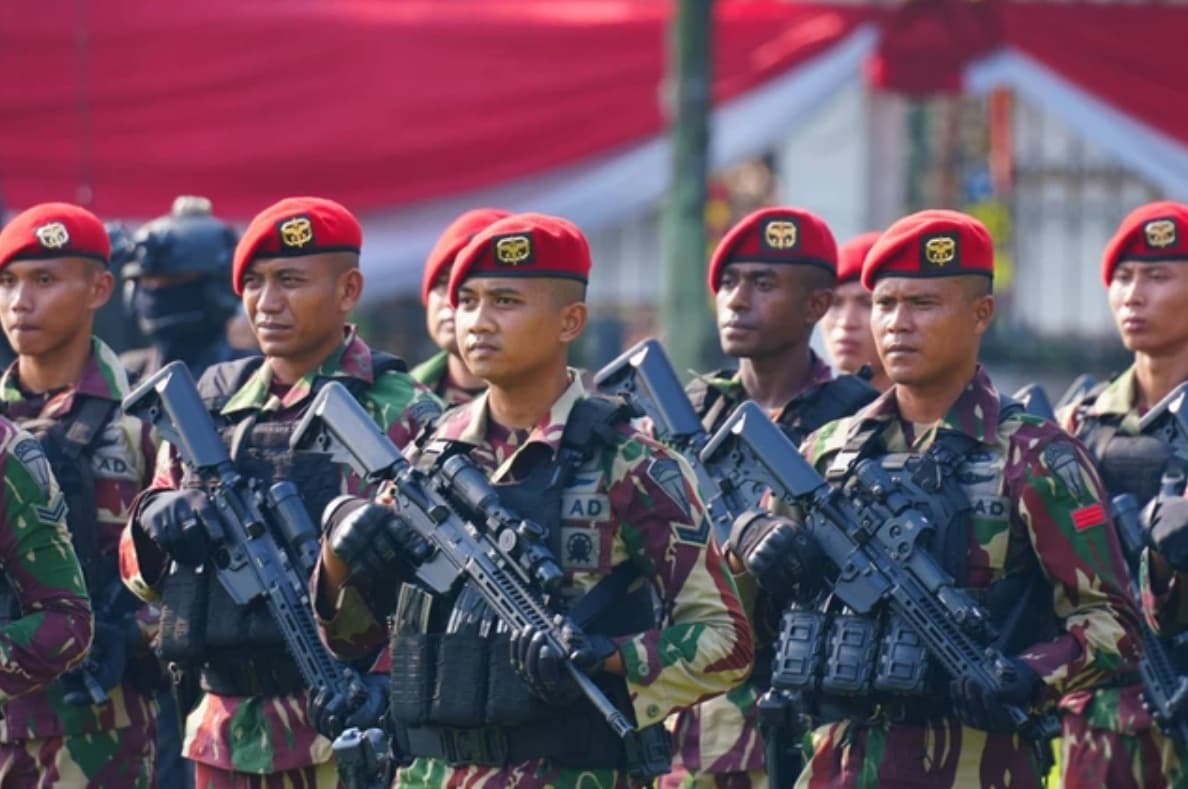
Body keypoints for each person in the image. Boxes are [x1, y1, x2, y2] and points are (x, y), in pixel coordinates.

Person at [312, 212, 753, 787]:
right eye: (467, 300)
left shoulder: (631, 463)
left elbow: (727, 642)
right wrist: (336, 561)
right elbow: (353, 640)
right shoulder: (426, 457)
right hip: (426, 773)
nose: (477, 321)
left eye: (505, 301)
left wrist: (608, 657)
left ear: (570, 321)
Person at [734, 209, 1140, 787]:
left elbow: (1115, 624)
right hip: (837, 764)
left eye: (923, 304)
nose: (898, 323)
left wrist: (1029, 674)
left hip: (978, 765)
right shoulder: (826, 452)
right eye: (886, 303)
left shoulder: (1038, 457)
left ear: (981, 314)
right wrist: (749, 539)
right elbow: (741, 614)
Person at [119, 196, 441, 788]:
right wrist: (154, 523)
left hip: (348, 728)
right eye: (256, 283)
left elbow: (438, 586)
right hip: (223, 729)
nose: (267, 304)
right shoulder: (209, 409)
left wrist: (387, 686)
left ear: (348, 291)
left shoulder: (405, 413)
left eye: (290, 282)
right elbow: (138, 576)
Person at [666, 207, 878, 789]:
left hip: (814, 723)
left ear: (816, 306)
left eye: (763, 284)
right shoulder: (681, 417)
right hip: (690, 728)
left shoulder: (859, 421)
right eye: (729, 283)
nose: (737, 300)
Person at [1059, 200, 1188, 788]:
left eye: (1158, 276)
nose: (1133, 294)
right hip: (1103, 721)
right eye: (1124, 276)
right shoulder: (1074, 426)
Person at [0, 204, 123, 785]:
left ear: (100, 289)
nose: (19, 301)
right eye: (7, 281)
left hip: (109, 729)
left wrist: (137, 629)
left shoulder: (147, 424)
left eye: (44, 280)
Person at [119, 196, 251, 382]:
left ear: (221, 289)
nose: (156, 290)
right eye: (148, 281)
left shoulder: (252, 376)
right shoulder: (124, 375)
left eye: (173, 280)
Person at [410, 208, 509, 406]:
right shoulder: (396, 399)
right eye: (442, 282)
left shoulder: (561, 406)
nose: (451, 300)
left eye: (468, 286)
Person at [821, 231, 891, 391]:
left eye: (867, 304)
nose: (846, 322)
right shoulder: (801, 410)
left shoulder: (942, 412)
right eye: (835, 303)